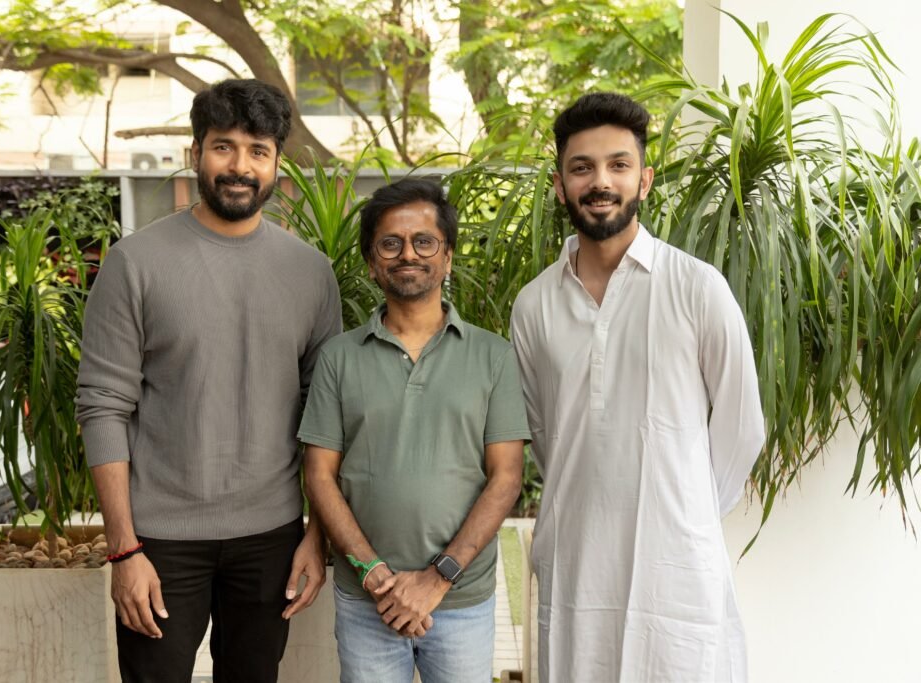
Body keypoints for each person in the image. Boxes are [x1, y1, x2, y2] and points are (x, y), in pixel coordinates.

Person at [75, 78, 342, 683]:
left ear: (277, 162)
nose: (240, 166)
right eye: (224, 147)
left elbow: (326, 415)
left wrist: (316, 537)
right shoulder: (135, 263)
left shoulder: (311, 272)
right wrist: (124, 548)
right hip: (159, 540)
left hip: (272, 538)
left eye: (258, 151)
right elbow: (103, 405)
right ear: (195, 152)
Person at [510, 92, 766, 682]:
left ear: (644, 181)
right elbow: (546, 435)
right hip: (576, 565)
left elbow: (741, 425)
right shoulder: (534, 305)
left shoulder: (697, 287)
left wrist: (684, 507)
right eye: (582, 167)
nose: (601, 181)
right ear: (560, 185)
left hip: (675, 570)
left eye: (618, 165)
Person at [298, 178, 530, 683]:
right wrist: (372, 572)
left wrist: (438, 577)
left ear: (447, 258)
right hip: (367, 600)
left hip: (461, 599)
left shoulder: (494, 356)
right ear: (371, 262)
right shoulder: (339, 357)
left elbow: (507, 478)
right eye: (391, 243)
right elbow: (319, 475)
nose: (408, 254)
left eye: (424, 241)